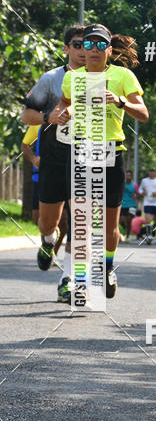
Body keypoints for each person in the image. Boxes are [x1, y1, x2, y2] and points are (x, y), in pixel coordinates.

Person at [56, 24, 148, 299]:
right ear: (82, 49)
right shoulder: (72, 77)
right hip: (81, 152)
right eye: (88, 44)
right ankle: (81, 283)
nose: (93, 50)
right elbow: (64, 103)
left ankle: (106, 267)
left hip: (112, 153)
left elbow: (142, 114)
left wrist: (120, 101)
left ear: (109, 49)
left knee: (110, 227)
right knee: (82, 222)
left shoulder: (122, 75)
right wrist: (63, 113)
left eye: (99, 45)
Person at [21, 25, 86, 302]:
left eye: (90, 45)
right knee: (49, 223)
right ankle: (48, 240)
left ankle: (67, 280)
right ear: (66, 48)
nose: (84, 50)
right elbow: (27, 115)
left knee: (80, 222)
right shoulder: (50, 79)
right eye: (77, 44)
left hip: (88, 158)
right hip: (54, 159)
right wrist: (48, 118)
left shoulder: (105, 79)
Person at [138, 168, 156, 244]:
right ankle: (149, 236)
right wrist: (142, 192)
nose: (152, 173)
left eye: (153, 171)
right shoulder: (144, 181)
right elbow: (140, 189)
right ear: (148, 172)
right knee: (148, 220)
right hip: (147, 203)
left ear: (155, 172)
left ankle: (153, 228)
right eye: (150, 171)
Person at [21, 124, 41, 228]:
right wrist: (34, 159)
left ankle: (68, 241)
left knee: (64, 218)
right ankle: (48, 240)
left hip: (64, 177)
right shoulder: (39, 121)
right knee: (37, 217)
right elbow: (25, 145)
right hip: (40, 177)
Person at [120, 169, 138, 240]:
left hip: (132, 205)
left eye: (129, 175)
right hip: (123, 204)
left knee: (129, 220)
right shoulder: (122, 184)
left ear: (132, 176)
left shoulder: (134, 185)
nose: (128, 177)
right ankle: (124, 229)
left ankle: (127, 236)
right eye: (127, 175)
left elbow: (138, 194)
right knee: (122, 220)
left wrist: (136, 195)